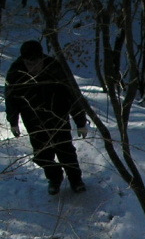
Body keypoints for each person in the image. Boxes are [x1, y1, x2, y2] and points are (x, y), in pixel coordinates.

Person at [5, 40, 88, 195]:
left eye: (36, 62)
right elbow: (11, 99)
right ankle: (55, 178)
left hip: (58, 116)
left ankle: (75, 180)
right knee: (42, 154)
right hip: (32, 120)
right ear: (23, 60)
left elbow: (73, 95)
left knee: (65, 151)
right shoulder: (16, 73)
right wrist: (13, 122)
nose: (33, 67)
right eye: (29, 63)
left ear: (42, 58)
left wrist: (80, 122)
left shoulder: (55, 68)